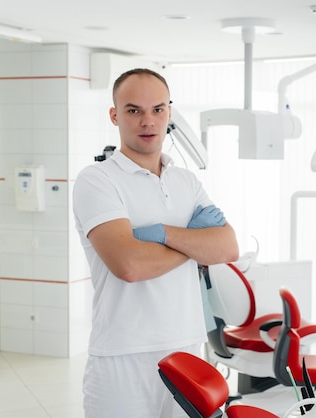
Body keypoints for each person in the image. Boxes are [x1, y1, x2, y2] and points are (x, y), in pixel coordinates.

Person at [72, 68, 239, 418]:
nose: (147, 121)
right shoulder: (97, 181)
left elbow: (227, 247)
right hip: (123, 357)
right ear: (115, 115)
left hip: (187, 349)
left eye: (157, 109)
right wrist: (194, 240)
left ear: (169, 113)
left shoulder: (186, 181)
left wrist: (161, 233)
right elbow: (130, 266)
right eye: (134, 110)